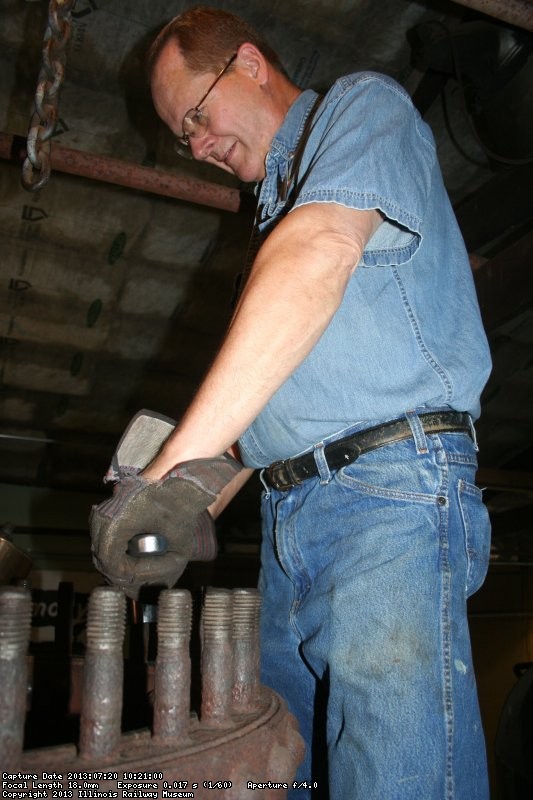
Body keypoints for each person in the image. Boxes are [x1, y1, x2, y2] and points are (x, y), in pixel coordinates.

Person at [102, 6, 493, 798]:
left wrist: (168, 478)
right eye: (184, 138)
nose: (199, 148)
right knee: (293, 773)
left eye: (198, 117)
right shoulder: (275, 218)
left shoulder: (361, 107)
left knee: (393, 781)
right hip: (293, 519)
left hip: (388, 499)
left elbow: (319, 249)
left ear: (247, 62)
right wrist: (192, 504)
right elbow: (261, 420)